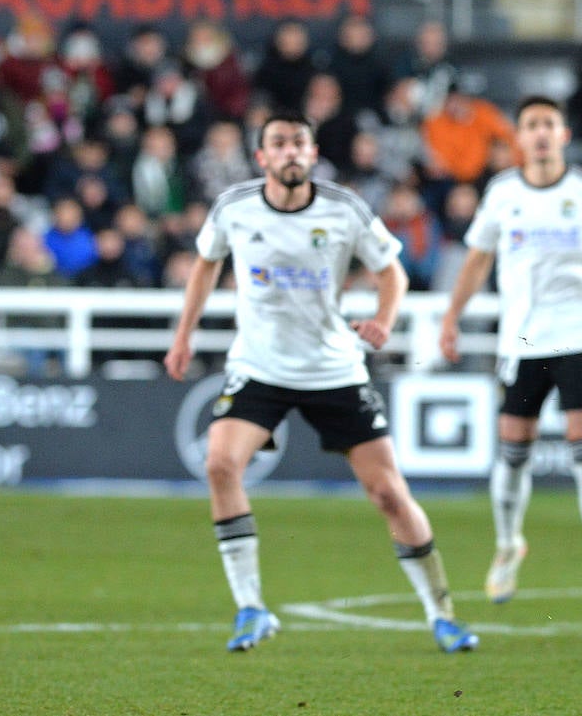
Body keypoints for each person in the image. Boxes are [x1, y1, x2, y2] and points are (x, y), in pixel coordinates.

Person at [164, 111, 478, 654]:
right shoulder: (234, 207)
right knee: (219, 462)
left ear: (312, 155)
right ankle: (251, 608)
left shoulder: (345, 209)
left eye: (299, 144)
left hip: (332, 368)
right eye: (278, 144)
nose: (289, 152)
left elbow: (393, 273)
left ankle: (442, 613)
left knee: (387, 493)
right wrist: (183, 335)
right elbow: (204, 266)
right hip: (259, 366)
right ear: (261, 157)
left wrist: (385, 317)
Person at [439, 96, 582, 609]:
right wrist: (451, 316)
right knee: (514, 449)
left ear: (562, 135)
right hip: (520, 339)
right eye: (530, 125)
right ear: (518, 138)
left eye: (548, 124)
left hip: (579, 335)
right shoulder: (502, 194)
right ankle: (507, 544)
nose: (540, 133)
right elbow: (476, 261)